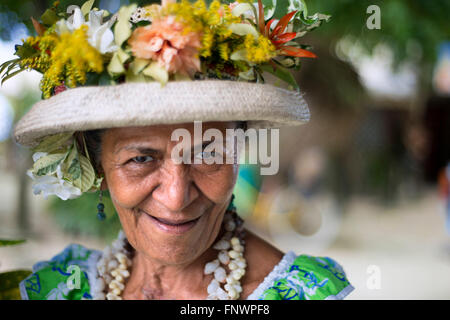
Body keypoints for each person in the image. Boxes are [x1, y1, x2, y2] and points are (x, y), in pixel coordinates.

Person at [2, 0, 353, 300]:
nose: (175, 197)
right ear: (97, 167)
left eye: (208, 154)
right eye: (140, 159)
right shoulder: (61, 287)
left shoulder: (295, 291)